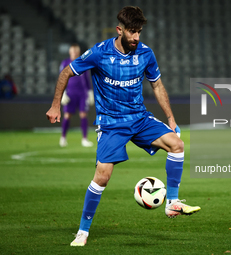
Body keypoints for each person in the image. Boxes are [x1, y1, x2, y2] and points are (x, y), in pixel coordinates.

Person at [46, 6, 201, 247]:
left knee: (177, 144)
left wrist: (170, 118)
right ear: (120, 30)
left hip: (139, 118)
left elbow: (157, 86)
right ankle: (83, 232)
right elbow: (67, 72)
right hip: (111, 124)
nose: (136, 37)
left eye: (139, 32)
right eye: (132, 32)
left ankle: (172, 202)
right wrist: (56, 105)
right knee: (102, 177)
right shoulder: (99, 53)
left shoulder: (146, 54)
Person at [59, 43, 94, 147]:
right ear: (70, 52)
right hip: (70, 93)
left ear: (78, 53)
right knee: (67, 115)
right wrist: (62, 92)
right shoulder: (65, 63)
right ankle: (63, 138)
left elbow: (86, 79)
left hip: (82, 93)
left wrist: (90, 92)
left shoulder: (83, 63)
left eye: (76, 51)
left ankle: (84, 139)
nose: (74, 53)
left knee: (83, 114)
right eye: (72, 51)